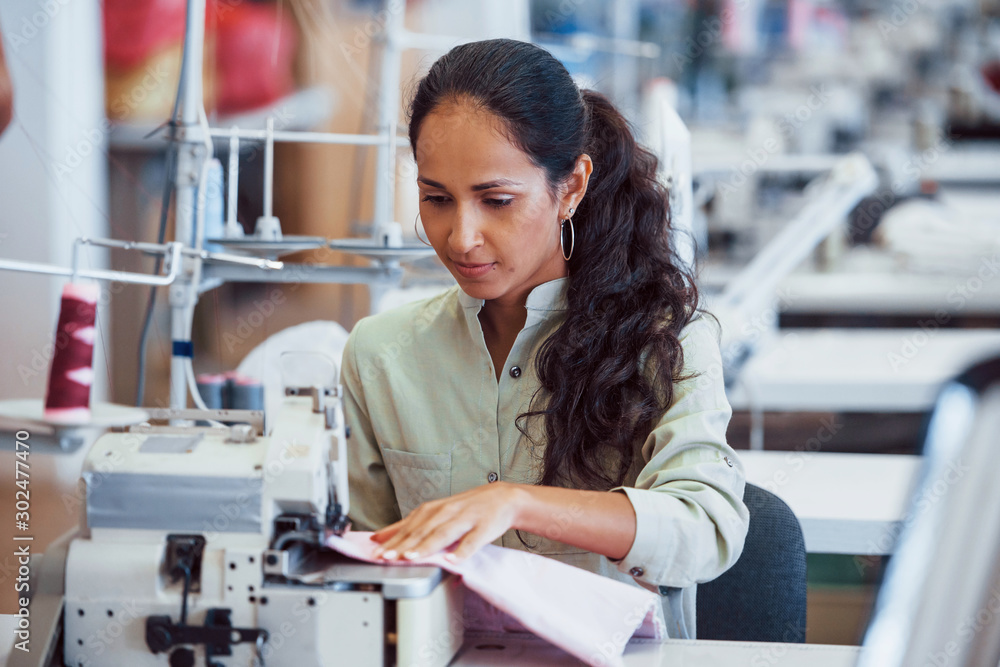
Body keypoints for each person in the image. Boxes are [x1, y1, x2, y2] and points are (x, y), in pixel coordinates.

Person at [340, 38, 748, 637]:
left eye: (496, 200)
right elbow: (361, 573)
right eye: (436, 200)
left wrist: (520, 502)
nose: (461, 237)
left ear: (571, 187)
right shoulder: (381, 356)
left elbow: (705, 528)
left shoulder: (664, 341)